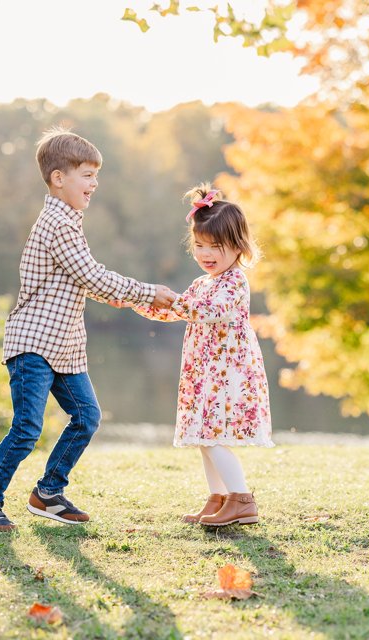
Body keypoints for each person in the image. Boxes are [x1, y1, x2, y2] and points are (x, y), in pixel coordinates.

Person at [0, 127, 177, 532]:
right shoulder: (57, 223)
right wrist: (148, 293)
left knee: (87, 416)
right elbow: (92, 276)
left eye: (96, 175)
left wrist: (131, 299)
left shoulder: (70, 220)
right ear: (58, 178)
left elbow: (82, 281)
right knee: (27, 427)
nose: (94, 183)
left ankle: (48, 492)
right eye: (86, 174)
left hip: (64, 347)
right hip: (35, 343)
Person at [111, 184, 273, 526]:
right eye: (199, 245)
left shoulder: (234, 282)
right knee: (203, 436)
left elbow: (209, 311)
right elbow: (176, 312)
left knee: (212, 436)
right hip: (205, 375)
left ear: (238, 246)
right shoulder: (203, 283)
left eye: (216, 246)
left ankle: (242, 500)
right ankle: (218, 499)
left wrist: (177, 301)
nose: (206, 253)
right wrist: (139, 300)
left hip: (228, 373)